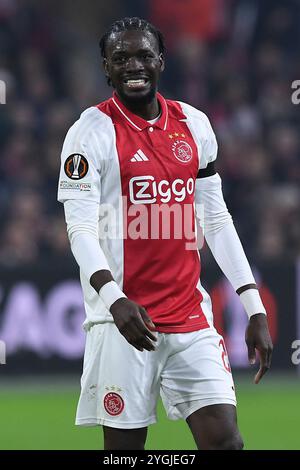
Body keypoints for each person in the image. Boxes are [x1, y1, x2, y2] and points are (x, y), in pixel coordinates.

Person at [57, 17, 273, 450]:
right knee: (125, 455)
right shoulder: (89, 133)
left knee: (226, 443)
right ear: (106, 67)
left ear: (162, 61)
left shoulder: (194, 124)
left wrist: (253, 305)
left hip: (190, 316)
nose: (133, 65)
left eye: (143, 55)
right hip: (122, 321)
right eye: (121, 58)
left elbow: (217, 220)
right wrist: (114, 300)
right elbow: (80, 229)